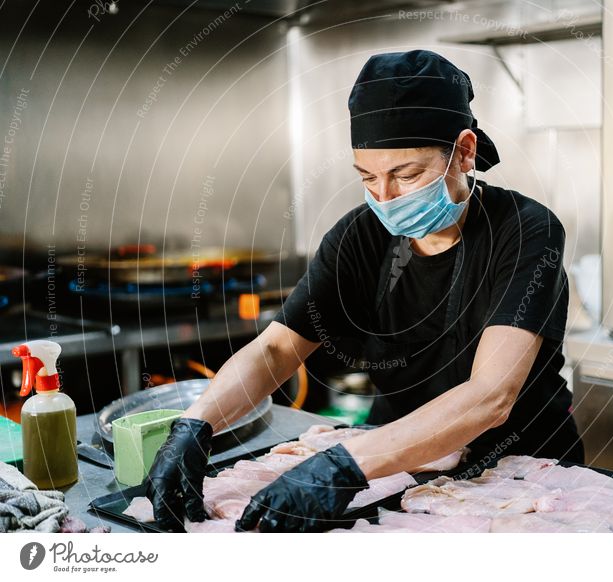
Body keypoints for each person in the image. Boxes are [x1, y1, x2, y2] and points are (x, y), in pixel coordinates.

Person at [145, 49, 584, 533]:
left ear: (464, 150)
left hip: (522, 473)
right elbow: (275, 349)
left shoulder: (527, 231)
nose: (385, 198)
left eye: (407, 174)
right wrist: (195, 424)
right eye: (368, 178)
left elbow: (490, 396)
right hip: (394, 465)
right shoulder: (360, 236)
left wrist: (343, 466)